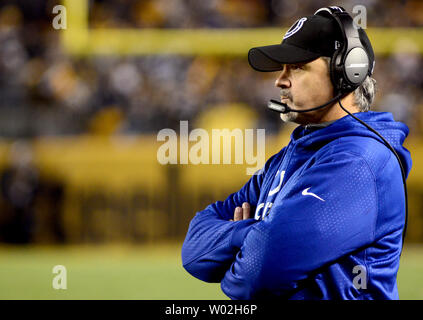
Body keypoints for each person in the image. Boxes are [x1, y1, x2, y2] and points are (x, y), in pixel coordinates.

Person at [181, 7, 412, 299]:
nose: (280, 80)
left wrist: (247, 241)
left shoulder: (361, 162)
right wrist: (250, 233)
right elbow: (193, 252)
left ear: (346, 72)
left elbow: (259, 273)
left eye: (298, 67)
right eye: (282, 68)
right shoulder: (290, 155)